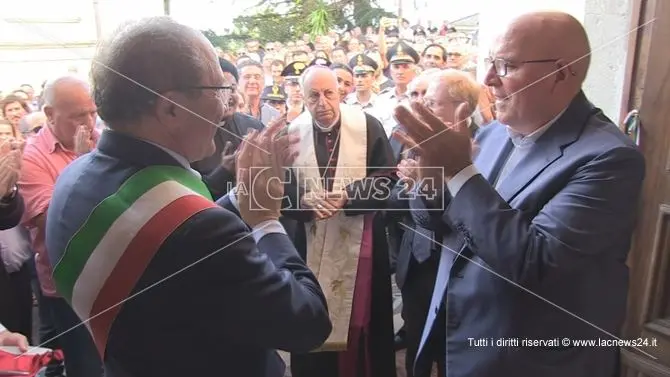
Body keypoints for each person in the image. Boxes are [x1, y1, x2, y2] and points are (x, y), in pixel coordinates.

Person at [44, 17, 331, 377]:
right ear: (170, 109)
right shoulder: (199, 231)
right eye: (218, 90)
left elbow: (173, 229)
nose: (227, 108)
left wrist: (242, 196)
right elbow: (308, 323)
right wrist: (266, 220)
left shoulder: (73, 178)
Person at [393, 11, 645, 377]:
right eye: (489, 63)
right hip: (459, 340)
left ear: (562, 72)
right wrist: (432, 183)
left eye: (506, 66)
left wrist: (459, 172)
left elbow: (535, 264)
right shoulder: (493, 134)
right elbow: (440, 225)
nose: (488, 80)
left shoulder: (608, 158)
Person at [284, 66, 397, 377]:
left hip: (361, 244)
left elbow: (387, 178)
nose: (322, 102)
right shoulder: (290, 132)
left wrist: (349, 195)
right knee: (312, 319)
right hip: (308, 243)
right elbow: (276, 185)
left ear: (340, 92)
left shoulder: (367, 125)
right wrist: (304, 200)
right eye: (313, 96)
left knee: (362, 321)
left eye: (329, 93)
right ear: (302, 97)